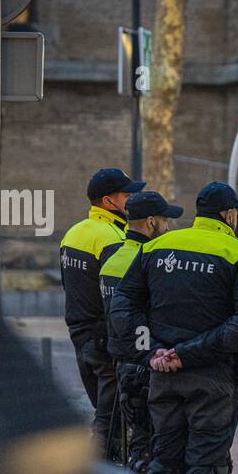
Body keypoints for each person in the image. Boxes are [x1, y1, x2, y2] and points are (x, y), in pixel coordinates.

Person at [109, 182, 238, 474]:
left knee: (163, 462)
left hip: (162, 376)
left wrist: (151, 350)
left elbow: (123, 302)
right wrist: (189, 354)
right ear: (230, 215)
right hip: (212, 381)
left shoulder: (158, 246)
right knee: (206, 468)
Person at [60, 167, 144, 455]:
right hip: (103, 339)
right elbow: (115, 297)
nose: (132, 199)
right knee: (110, 422)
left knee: (104, 413)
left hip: (79, 336)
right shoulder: (112, 238)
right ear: (109, 201)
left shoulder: (73, 233)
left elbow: (68, 286)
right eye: (126, 194)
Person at [101, 191, 181, 473]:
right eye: (165, 220)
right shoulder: (148, 261)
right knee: (154, 446)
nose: (168, 226)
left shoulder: (111, 257)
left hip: (123, 362)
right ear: (150, 222)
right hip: (148, 363)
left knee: (135, 444)